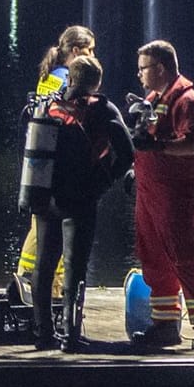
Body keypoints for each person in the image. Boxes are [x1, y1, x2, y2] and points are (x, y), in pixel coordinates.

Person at [24, 54, 134, 353]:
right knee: (75, 267)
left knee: (44, 266)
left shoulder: (47, 105)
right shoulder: (102, 110)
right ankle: (70, 335)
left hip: (45, 196)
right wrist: (106, 180)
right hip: (81, 197)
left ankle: (42, 334)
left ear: (70, 79)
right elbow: (127, 152)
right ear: (97, 83)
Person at [130, 40, 194, 352]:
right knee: (153, 257)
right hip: (150, 192)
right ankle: (165, 324)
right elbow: (146, 137)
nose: (139, 74)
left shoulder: (188, 101)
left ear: (160, 68)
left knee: (184, 258)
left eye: (143, 68)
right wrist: (136, 167)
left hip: (176, 193)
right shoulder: (155, 99)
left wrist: (158, 148)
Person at [14, 24, 97, 306]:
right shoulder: (65, 79)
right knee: (55, 230)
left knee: (40, 223)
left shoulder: (49, 76)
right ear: (75, 51)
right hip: (58, 162)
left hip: (40, 160)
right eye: (89, 51)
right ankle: (50, 288)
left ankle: (27, 274)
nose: (92, 55)